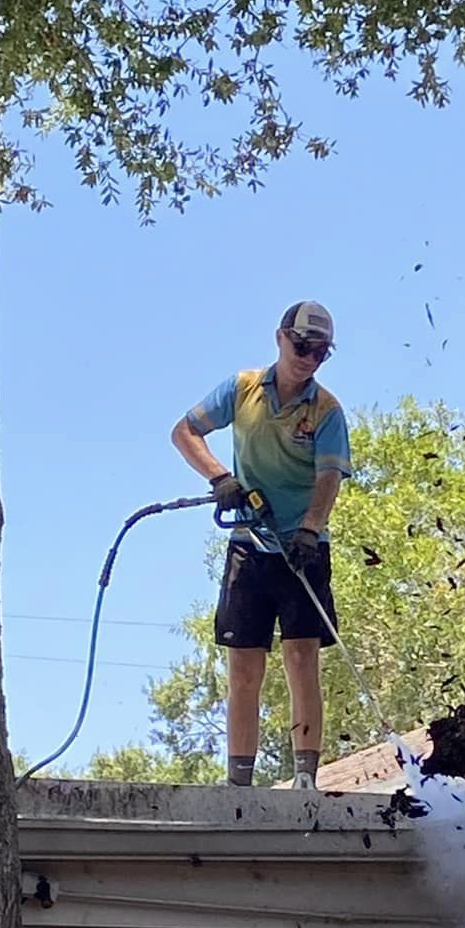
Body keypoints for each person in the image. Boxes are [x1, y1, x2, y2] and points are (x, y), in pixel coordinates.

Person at [171, 301, 352, 788]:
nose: (309, 359)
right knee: (245, 667)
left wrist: (310, 530)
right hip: (249, 545)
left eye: (320, 353)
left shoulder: (326, 411)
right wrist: (220, 478)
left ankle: (305, 777)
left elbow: (329, 475)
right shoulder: (243, 388)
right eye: (302, 347)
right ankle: (239, 784)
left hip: (303, 547)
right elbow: (184, 431)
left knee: (301, 658)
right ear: (280, 338)